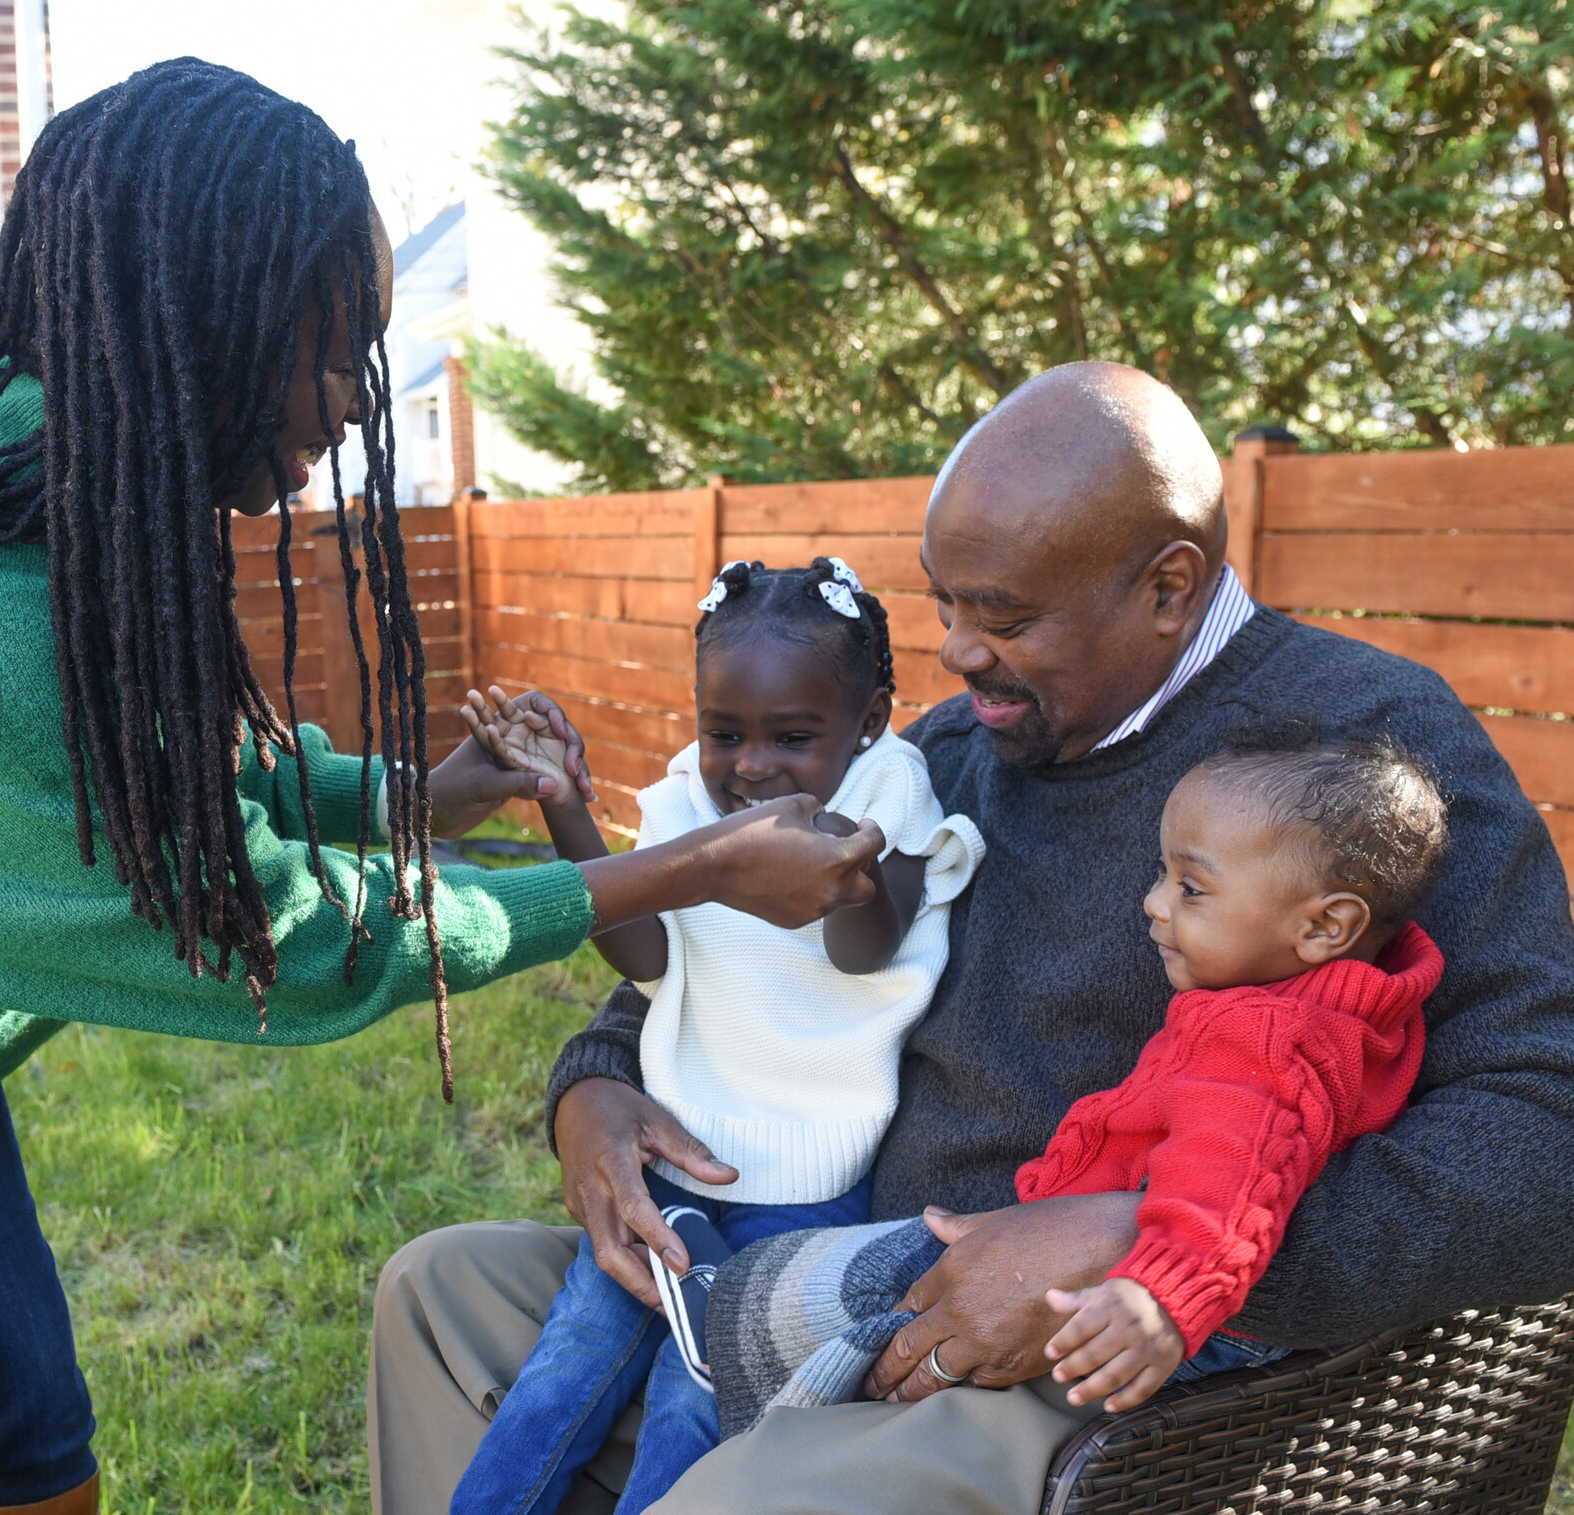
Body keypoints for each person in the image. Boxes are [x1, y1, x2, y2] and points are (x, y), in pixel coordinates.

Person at [0, 63, 883, 1515]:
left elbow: (168, 764)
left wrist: (419, 792)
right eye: (330, 352)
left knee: (31, 1420)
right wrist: (684, 869)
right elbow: (291, 939)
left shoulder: (70, 469)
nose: (353, 399)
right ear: (208, 314)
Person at [366, 361, 1574, 1515]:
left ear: (1166, 585)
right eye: (943, 604)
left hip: (1083, 1379)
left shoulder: (1359, 752)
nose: (953, 652)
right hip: (819, 1269)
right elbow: (733, 958)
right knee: (439, 1296)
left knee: (753, 1495)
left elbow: (1541, 1134)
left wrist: (1137, 1236)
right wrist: (596, 1087)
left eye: (1000, 616)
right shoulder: (941, 754)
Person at [714, 728, 1446, 1440]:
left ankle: (725, 1328)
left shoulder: (1263, 1041)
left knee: (847, 1313)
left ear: (1327, 927)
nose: (1155, 903)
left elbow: (1228, 1187)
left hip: (1127, 1307)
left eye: (1191, 886)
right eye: (1163, 874)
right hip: (1162, 1293)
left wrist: (1157, 1298)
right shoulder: (1365, 1005)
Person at [446, 557, 983, 1514]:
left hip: (809, 1195)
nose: (751, 766)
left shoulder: (892, 784)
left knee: (694, 1405)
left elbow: (866, 953)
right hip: (666, 1164)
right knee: (568, 1365)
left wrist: (847, 857)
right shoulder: (686, 804)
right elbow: (645, 954)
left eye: (792, 737)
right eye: (723, 732)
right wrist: (564, 802)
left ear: (867, 719)